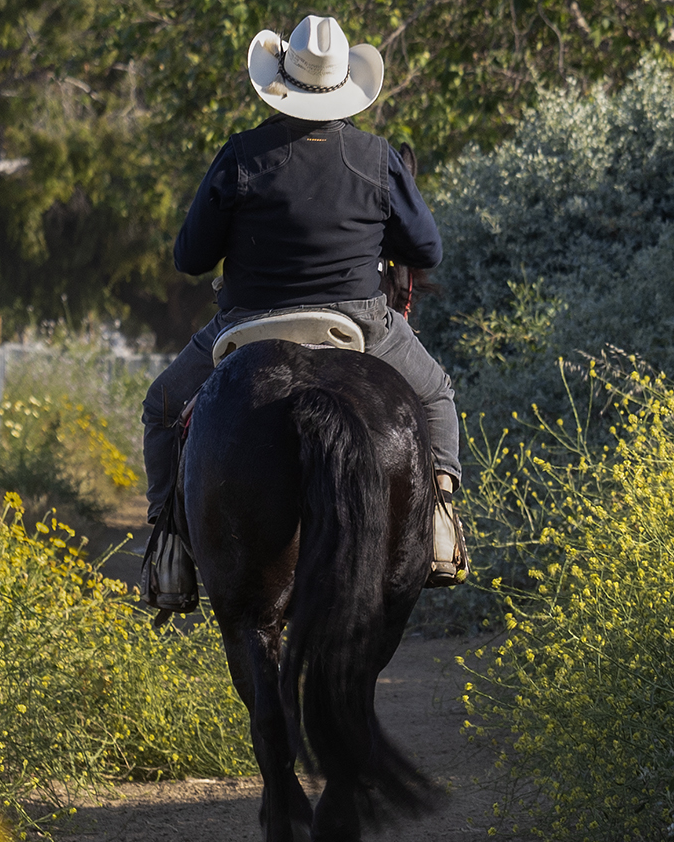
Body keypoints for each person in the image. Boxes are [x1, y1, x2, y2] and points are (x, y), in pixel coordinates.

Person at [141, 13, 467, 593]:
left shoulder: (239, 157)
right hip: (360, 322)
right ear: (344, 85)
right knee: (436, 393)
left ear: (281, 80)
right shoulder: (377, 158)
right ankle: (441, 526)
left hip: (246, 322)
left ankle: (168, 551)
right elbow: (428, 250)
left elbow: (189, 258)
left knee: (163, 407)